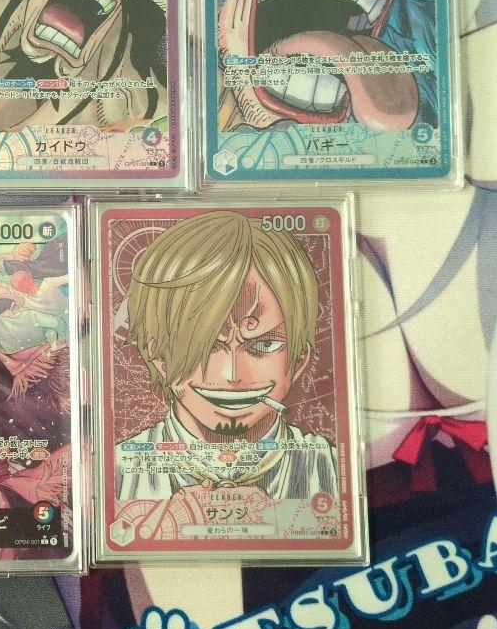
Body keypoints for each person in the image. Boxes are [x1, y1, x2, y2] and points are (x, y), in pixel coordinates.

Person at [116, 210, 336, 504]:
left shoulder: (334, 470)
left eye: (264, 345)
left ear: (299, 359)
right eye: (206, 347)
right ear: (159, 355)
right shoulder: (114, 472)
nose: (231, 375)